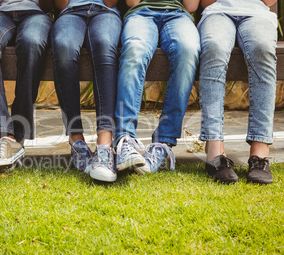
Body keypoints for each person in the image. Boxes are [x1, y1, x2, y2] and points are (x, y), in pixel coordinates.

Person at [114, 0, 201, 174]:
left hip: (178, 14)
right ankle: (125, 139)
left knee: (188, 50)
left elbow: (191, 6)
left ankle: (164, 141)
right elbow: (132, 2)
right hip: (140, 13)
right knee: (135, 49)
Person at [198, 0, 277, 184]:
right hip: (217, 12)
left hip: (258, 13)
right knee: (214, 47)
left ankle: (260, 152)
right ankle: (214, 149)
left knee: (262, 48)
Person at [0, 0, 53, 173]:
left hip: (36, 13)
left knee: (32, 43)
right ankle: (5, 135)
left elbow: (49, 4)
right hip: (1, 12)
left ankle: (17, 134)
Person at [50, 0, 122, 182]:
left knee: (105, 45)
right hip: (70, 12)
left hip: (106, 10)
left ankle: (105, 144)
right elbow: (60, 4)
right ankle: (76, 141)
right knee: (63, 47)